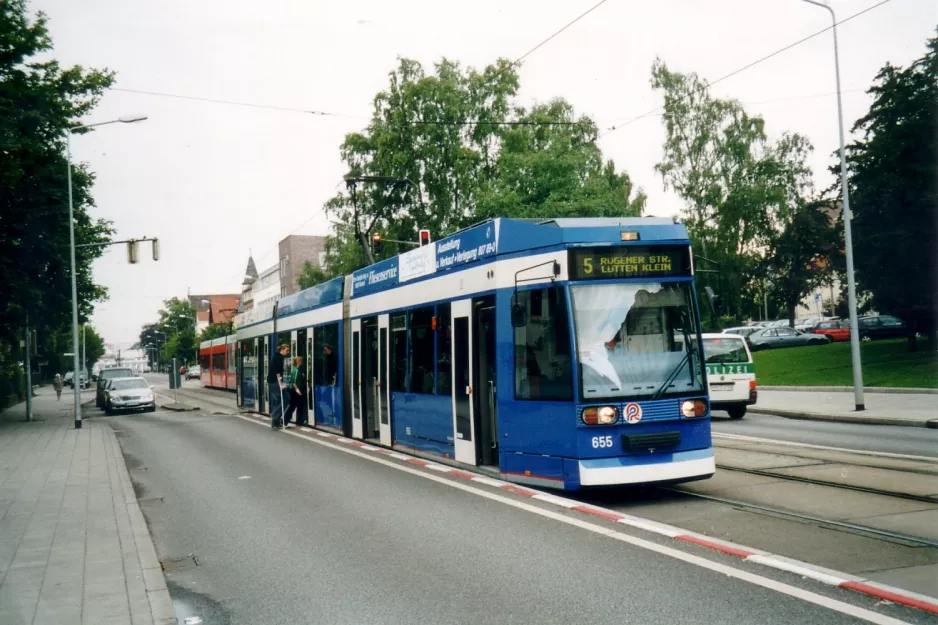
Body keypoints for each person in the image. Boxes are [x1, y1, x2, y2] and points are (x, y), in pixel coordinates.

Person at [267, 344, 289, 429]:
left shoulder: (277, 356)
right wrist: (281, 384)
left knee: (279, 400)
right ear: (282, 349)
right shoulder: (279, 358)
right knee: (285, 398)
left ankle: (275, 422)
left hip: (272, 381)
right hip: (274, 381)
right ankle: (274, 416)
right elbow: (277, 372)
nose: (288, 352)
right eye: (287, 350)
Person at [284, 356, 306, 427]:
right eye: (301, 361)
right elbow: (293, 382)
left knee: (295, 406)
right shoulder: (296, 370)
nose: (302, 362)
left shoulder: (298, 370)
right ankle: (286, 420)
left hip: (296, 391)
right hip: (295, 391)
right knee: (294, 406)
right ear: (298, 362)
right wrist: (298, 391)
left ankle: (297, 421)